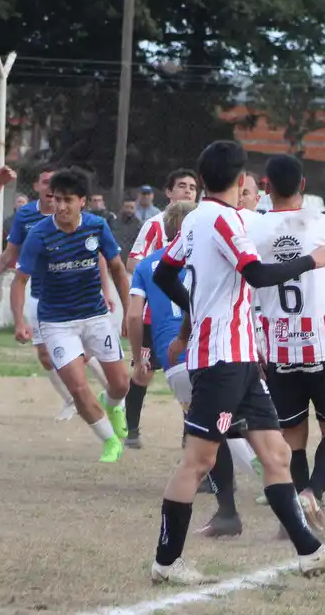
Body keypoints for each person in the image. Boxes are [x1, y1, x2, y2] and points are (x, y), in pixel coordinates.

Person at [148, 140, 325, 585]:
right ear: (240, 180)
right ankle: (167, 563)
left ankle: (310, 553)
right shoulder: (223, 221)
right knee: (198, 461)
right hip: (221, 359)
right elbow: (258, 274)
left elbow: (164, 273)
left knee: (277, 454)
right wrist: (312, 259)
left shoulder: (196, 219)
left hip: (243, 357)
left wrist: (195, 308)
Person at [246, 154, 325, 539]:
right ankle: (311, 494)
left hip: (278, 347)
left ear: (266, 187)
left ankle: (300, 514)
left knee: (293, 435)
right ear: (303, 186)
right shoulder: (323, 225)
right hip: (321, 345)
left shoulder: (252, 228)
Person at [14, 167, 133, 461]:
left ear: (83, 201)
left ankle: (113, 404)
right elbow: (19, 280)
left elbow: (117, 268)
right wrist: (19, 320)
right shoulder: (40, 234)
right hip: (56, 322)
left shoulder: (96, 227)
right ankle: (109, 440)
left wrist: (129, 313)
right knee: (77, 386)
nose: (62, 206)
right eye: (57, 200)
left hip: (95, 316)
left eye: (69, 200)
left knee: (121, 384)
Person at [0, 164, 111, 419]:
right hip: (40, 295)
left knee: (87, 349)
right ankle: (72, 399)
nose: (50, 188)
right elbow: (9, 256)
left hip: (80, 293)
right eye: (45, 182)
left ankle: (115, 396)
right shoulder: (25, 216)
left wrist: (106, 290)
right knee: (46, 356)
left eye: (54, 184)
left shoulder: (80, 218)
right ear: (37, 187)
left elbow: (97, 254)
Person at [124, 169, 200, 448]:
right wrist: (158, 271)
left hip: (187, 314)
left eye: (193, 187)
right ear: (168, 192)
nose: (188, 191)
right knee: (143, 372)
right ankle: (131, 429)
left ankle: (189, 435)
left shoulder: (201, 224)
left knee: (192, 373)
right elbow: (133, 262)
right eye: (182, 186)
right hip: (153, 316)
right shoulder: (156, 224)